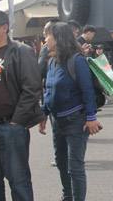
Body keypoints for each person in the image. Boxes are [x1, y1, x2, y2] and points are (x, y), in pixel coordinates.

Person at [40, 22, 103, 201]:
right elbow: (49, 89)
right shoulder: (52, 60)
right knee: (61, 162)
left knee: (74, 166)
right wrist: (43, 113)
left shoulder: (77, 60)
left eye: (48, 36)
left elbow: (87, 90)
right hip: (57, 120)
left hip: (76, 120)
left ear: (58, 38)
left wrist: (91, 117)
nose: (45, 39)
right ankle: (67, 196)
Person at [0, 10, 44, 201]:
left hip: (10, 127)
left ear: (4, 27)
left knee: (18, 180)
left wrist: (16, 122)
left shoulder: (20, 51)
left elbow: (32, 88)